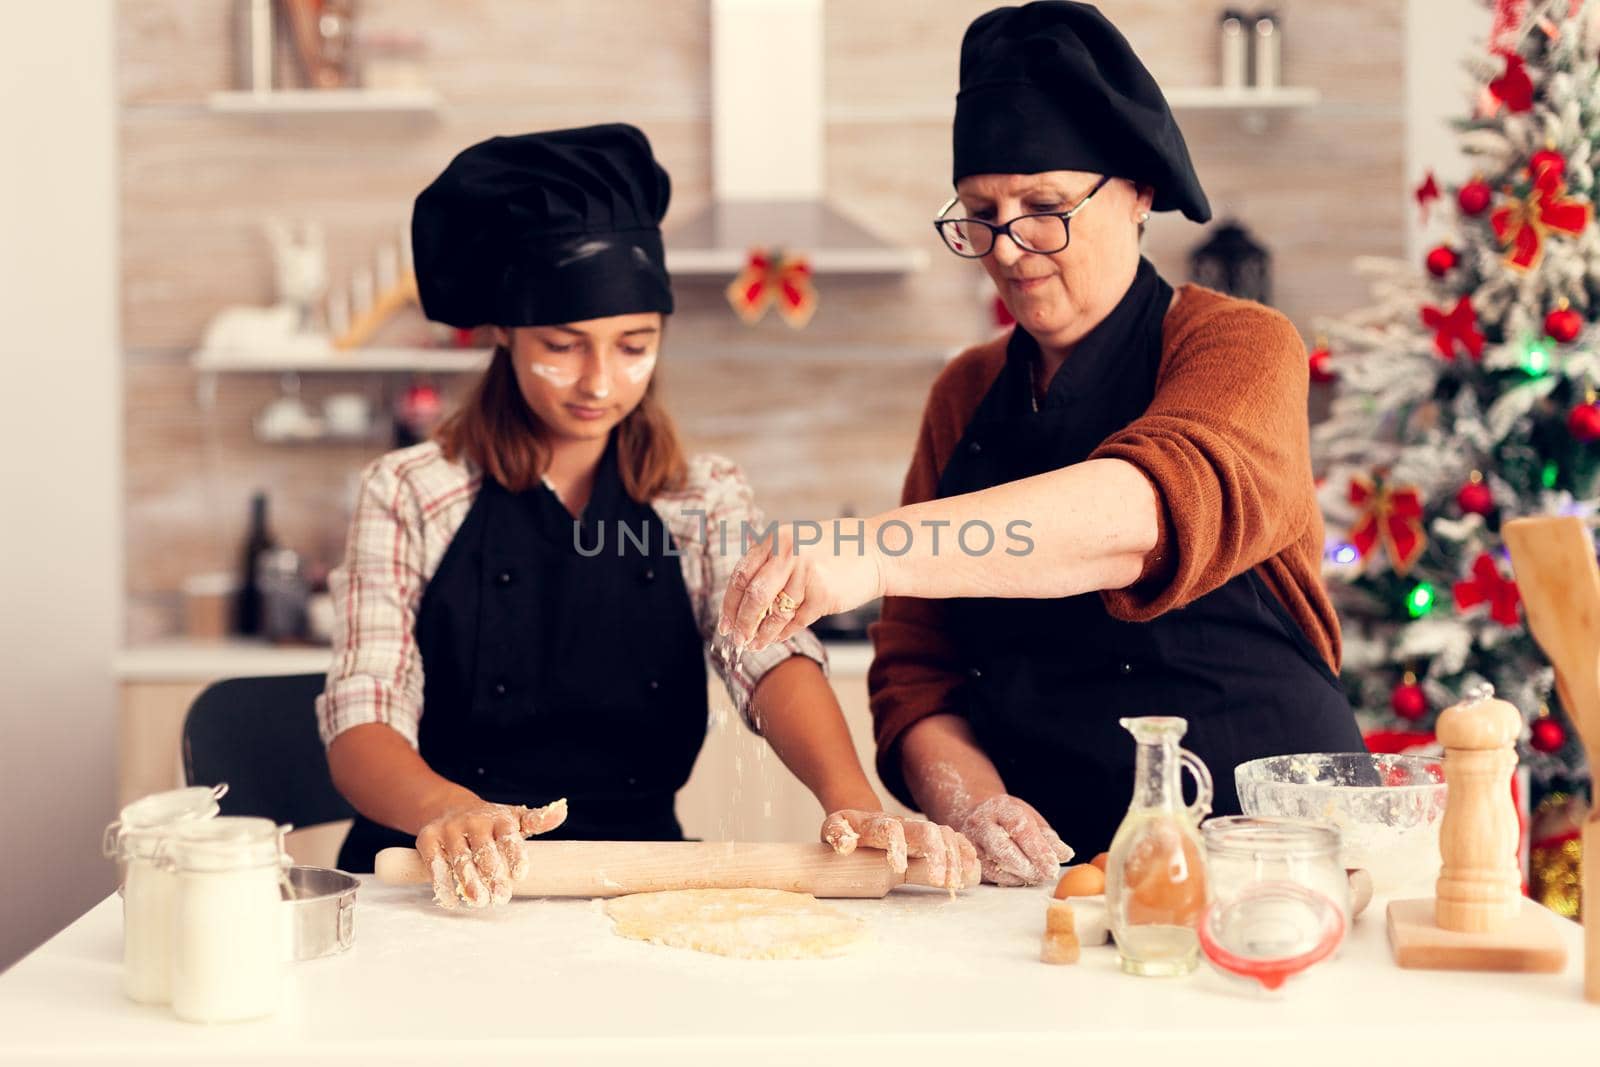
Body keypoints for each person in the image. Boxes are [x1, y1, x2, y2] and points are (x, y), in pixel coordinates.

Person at [716, 3, 1364, 884]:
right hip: (1049, 884)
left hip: (1269, 850)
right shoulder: (965, 391)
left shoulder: (1240, 346)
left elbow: (1144, 511)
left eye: (1046, 207)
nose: (1009, 248)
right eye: (982, 213)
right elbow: (917, 673)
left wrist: (872, 547)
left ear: (1137, 192)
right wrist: (971, 802)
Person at [319, 124, 977, 908]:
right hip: (436, 881)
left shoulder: (702, 497)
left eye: (633, 346)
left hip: (639, 881)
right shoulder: (409, 491)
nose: (599, 380)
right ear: (504, 333)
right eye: (563, 345)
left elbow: (770, 655)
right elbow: (364, 715)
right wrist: (446, 810)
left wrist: (850, 797)